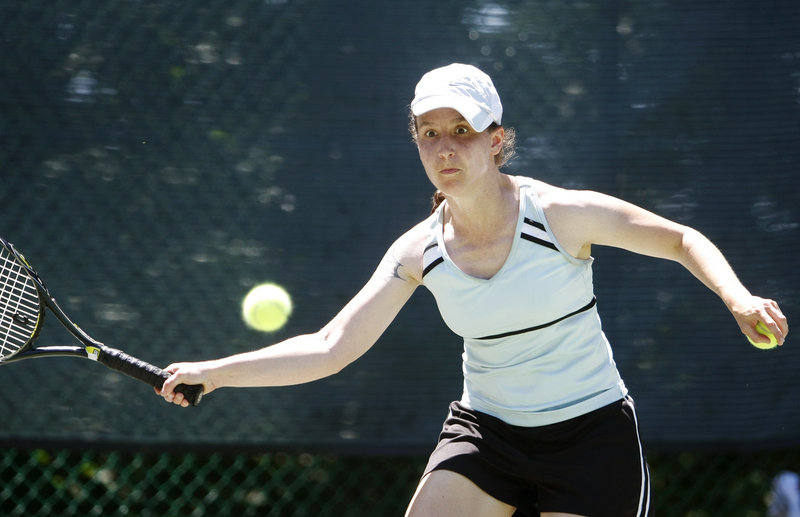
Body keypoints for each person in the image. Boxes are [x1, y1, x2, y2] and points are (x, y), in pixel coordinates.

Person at [157, 63, 789, 517]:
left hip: (592, 440)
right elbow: (330, 347)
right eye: (429, 133)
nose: (445, 147)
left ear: (495, 139)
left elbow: (680, 239)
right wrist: (215, 372)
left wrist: (737, 298)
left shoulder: (560, 215)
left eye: (461, 129)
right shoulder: (417, 251)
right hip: (487, 435)